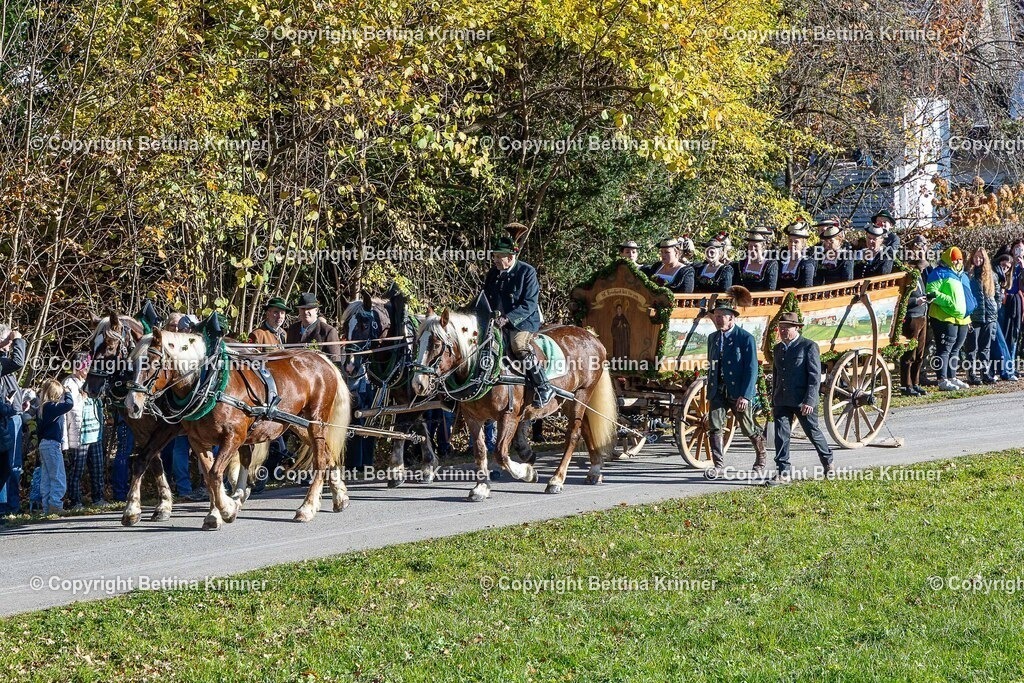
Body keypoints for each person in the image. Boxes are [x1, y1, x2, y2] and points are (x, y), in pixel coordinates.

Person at [483, 224, 554, 408]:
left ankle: (544, 386)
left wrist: (507, 318)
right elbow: (484, 298)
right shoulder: (493, 273)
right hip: (496, 322)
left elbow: (529, 304)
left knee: (518, 345)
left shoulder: (527, 272)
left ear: (511, 257)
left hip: (523, 322)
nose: (495, 260)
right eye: (494, 256)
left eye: (499, 256)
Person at [704, 286, 767, 478]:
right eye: (716, 315)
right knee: (715, 425)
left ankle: (761, 458)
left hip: (738, 390)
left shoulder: (745, 338)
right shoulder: (713, 338)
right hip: (718, 390)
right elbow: (712, 364)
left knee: (748, 426)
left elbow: (751, 368)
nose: (718, 319)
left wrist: (746, 395)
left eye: (722, 315)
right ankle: (718, 465)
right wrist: (710, 387)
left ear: (732, 318)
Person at [770, 312, 834, 481]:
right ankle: (783, 471)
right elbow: (776, 376)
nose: (783, 331)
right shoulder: (777, 349)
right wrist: (773, 401)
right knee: (781, 435)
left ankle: (828, 462)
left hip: (802, 401)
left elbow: (814, 377)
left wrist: (810, 401)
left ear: (797, 328)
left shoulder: (808, 346)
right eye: (781, 328)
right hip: (782, 399)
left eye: (787, 328)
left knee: (812, 431)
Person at [926, 246, 975, 391]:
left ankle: (952, 377)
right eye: (955, 259)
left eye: (960, 259)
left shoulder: (963, 275)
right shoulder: (939, 273)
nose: (957, 262)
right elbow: (931, 293)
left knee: (956, 349)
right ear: (948, 259)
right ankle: (942, 380)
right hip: (943, 317)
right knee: (944, 349)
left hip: (963, 319)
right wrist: (949, 302)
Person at [63, 354, 106, 510]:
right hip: (80, 433)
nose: (88, 370)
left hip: (95, 432)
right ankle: (75, 501)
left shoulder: (92, 381)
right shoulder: (69, 383)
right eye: (85, 367)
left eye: (89, 366)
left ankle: (98, 498)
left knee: (97, 468)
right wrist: (83, 396)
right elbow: (70, 407)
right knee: (77, 470)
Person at [36, 379, 74, 516]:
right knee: (58, 476)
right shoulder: (51, 407)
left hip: (44, 444)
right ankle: (56, 505)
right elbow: (69, 404)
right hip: (52, 445)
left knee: (46, 477)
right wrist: (68, 392)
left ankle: (46, 506)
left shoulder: (42, 408)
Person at [0, 324, 26, 518]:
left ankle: (11, 506)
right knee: (9, 465)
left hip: (13, 415)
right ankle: (8, 507)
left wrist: (18, 403)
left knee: (12, 464)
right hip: (7, 419)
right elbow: (18, 361)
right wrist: (17, 339)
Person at [964, 248, 1000, 385]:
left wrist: (995, 308)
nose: (978, 260)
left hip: (989, 315)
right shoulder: (968, 275)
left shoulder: (992, 275)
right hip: (974, 316)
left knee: (986, 348)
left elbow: (997, 294)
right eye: (976, 257)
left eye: (981, 258)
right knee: (972, 348)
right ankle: (971, 375)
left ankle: (986, 374)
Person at [899, 260, 930, 396]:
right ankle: (906, 385)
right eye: (920, 268)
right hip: (912, 317)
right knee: (909, 354)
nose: (921, 271)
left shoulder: (919, 278)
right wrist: (915, 301)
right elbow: (901, 299)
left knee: (919, 354)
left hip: (922, 316)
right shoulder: (907, 279)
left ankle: (915, 383)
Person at [286, 293, 342, 365]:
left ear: (316, 310)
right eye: (302, 309)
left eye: (309, 308)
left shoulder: (328, 331)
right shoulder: (292, 329)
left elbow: (335, 363)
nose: (306, 312)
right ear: (299, 310)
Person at [1000, 243, 1024, 366]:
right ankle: (1003, 365)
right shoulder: (1006, 264)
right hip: (1004, 303)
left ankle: (1012, 365)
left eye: (1021, 249)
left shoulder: (1021, 267)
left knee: (1015, 335)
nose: (1018, 252)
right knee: (1004, 334)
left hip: (1018, 303)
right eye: (1016, 248)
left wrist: (1023, 267)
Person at [814, 220, 854, 285]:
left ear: (839, 241)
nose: (827, 244)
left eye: (831, 241)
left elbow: (848, 280)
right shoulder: (820, 256)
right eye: (826, 241)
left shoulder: (846, 256)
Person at [778, 222, 815, 288]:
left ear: (803, 244)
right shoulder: (781, 261)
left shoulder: (807, 263)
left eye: (796, 242)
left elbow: (807, 288)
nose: (792, 244)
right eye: (790, 241)